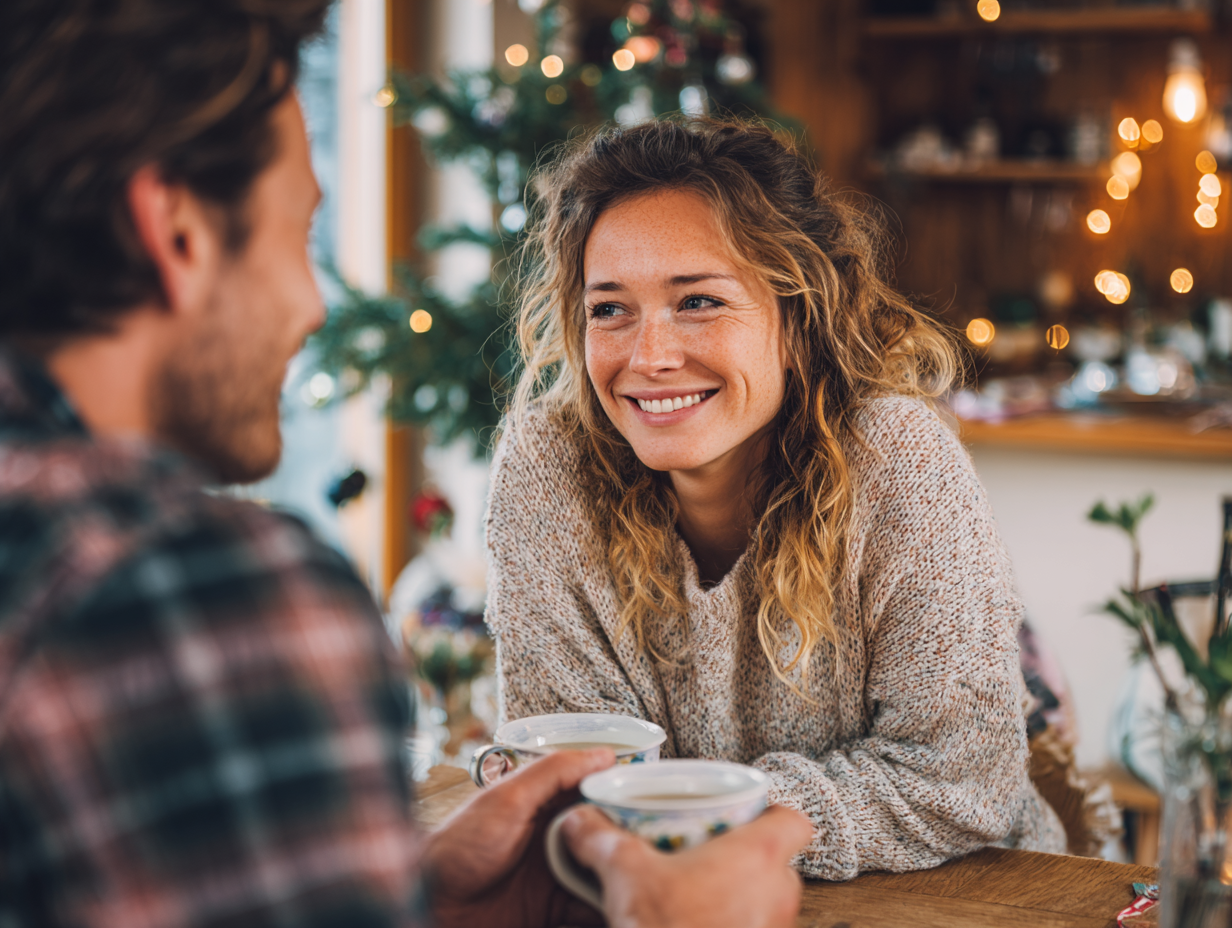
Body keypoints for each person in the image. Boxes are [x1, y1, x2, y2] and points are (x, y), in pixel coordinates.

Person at [0, 3, 811, 927]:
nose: (313, 305)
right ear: (176, 231)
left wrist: (422, 906)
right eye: (299, 233)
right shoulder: (178, 591)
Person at [486, 118, 1070, 882]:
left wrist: (689, 817)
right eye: (609, 308)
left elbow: (958, 783)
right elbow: (566, 774)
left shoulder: (899, 460)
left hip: (959, 896)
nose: (648, 356)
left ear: (798, 317)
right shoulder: (547, 467)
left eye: (697, 301)